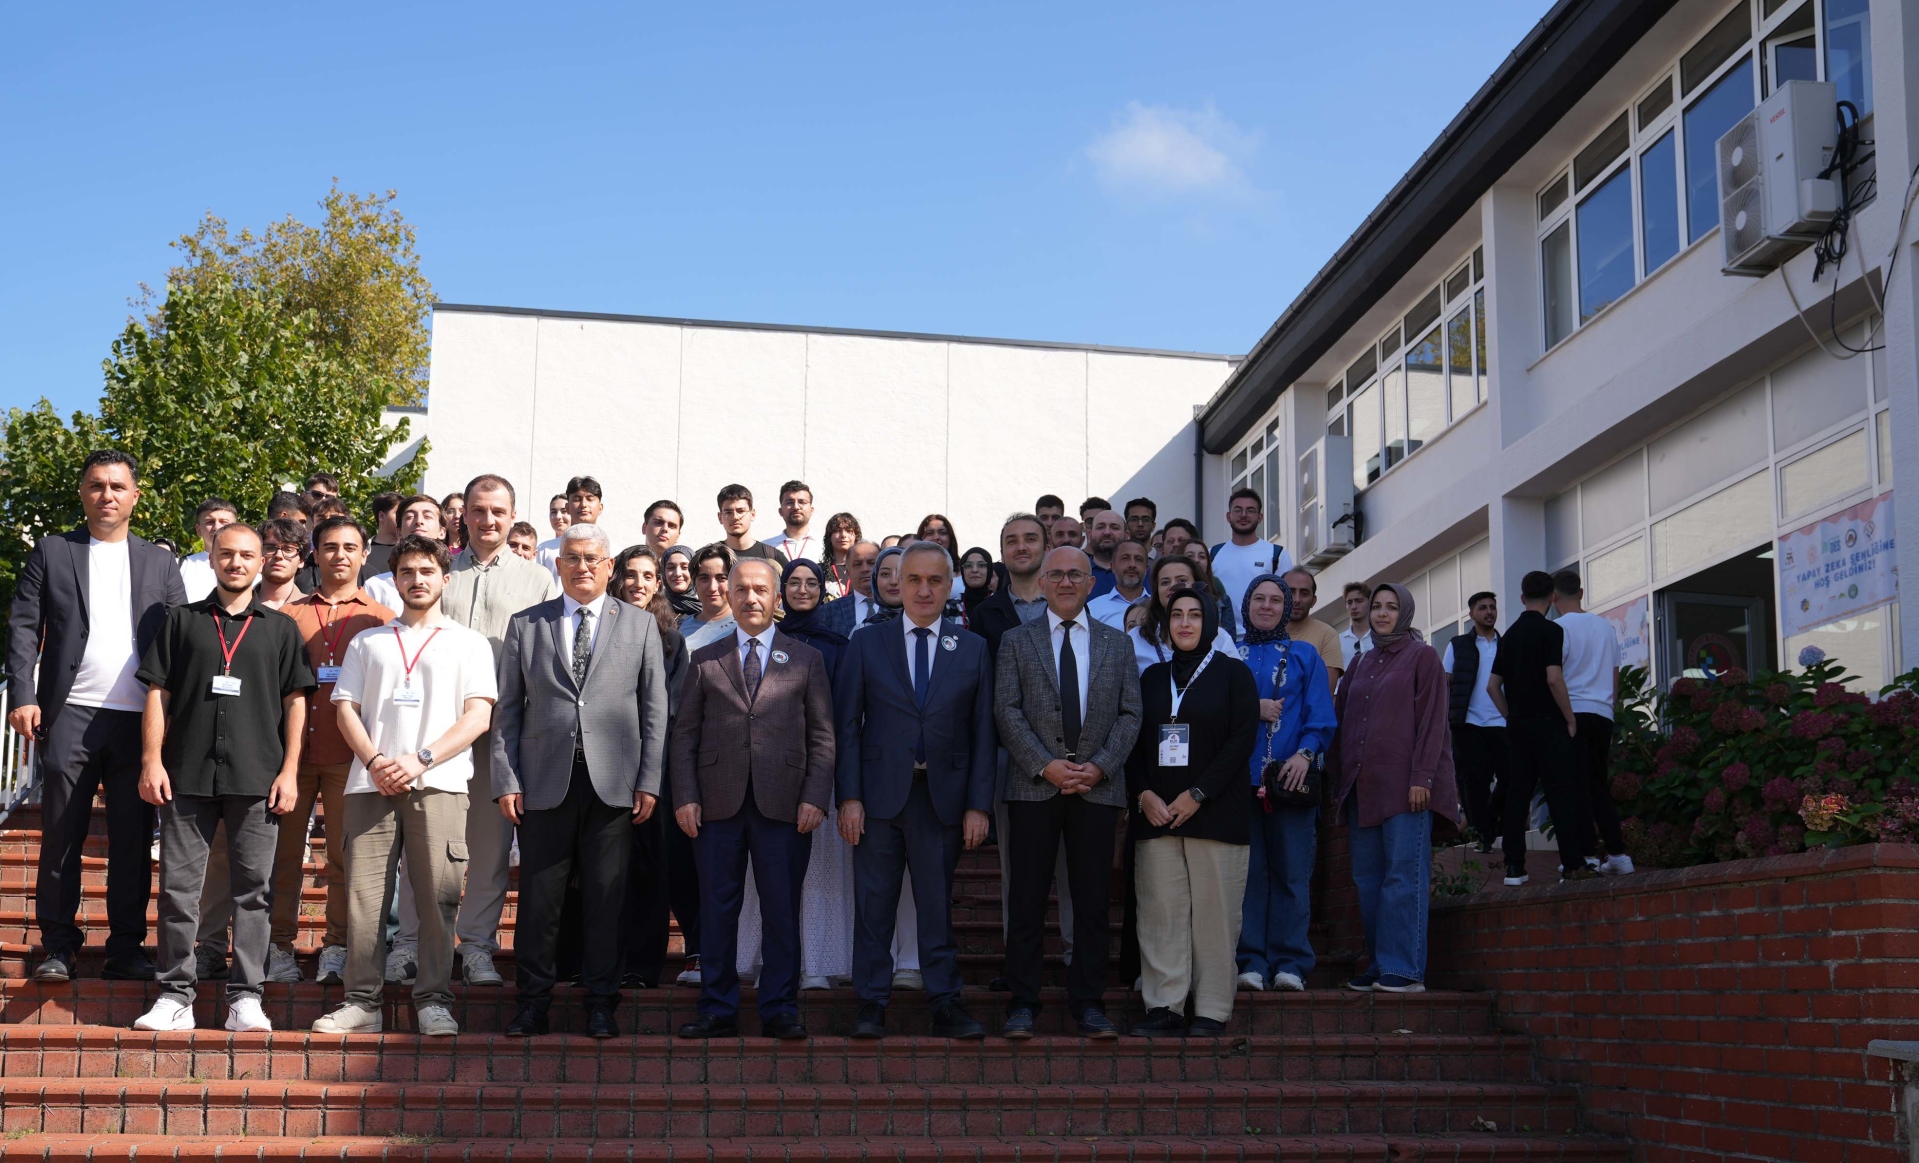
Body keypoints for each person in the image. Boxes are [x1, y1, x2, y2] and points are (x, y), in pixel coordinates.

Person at [6, 449, 186, 983]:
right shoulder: (52, 551)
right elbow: (23, 627)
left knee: (133, 840)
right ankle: (58, 946)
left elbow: (180, 638)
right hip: (70, 714)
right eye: (96, 485)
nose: (107, 495)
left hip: (140, 720)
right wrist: (22, 694)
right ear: (83, 493)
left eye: (117, 486)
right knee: (62, 834)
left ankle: (125, 948)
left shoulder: (160, 562)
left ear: (135, 496)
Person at [309, 534, 498, 1036]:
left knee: (438, 897)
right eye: (407, 572)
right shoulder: (368, 641)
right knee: (365, 899)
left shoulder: (469, 643)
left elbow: (478, 716)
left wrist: (421, 759)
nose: (417, 580)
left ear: (445, 579)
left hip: (440, 783)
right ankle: (362, 1002)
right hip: (369, 784)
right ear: (394, 580)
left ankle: (433, 999)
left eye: (427, 571)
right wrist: (374, 761)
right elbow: (345, 709)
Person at [132, 522, 315, 1032]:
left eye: (247, 555)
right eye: (227, 554)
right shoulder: (181, 621)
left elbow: (296, 703)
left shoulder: (281, 629)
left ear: (262, 563)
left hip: (257, 778)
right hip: (186, 775)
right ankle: (174, 995)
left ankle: (247, 998)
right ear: (211, 558)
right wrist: (151, 760)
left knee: (254, 892)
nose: (236, 563)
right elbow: (157, 694)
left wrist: (290, 771)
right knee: (177, 890)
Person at [492, 521, 670, 1037]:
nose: (583, 566)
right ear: (558, 564)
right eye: (573, 557)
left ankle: (601, 1002)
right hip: (543, 781)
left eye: (593, 558)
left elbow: (654, 709)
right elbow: (508, 710)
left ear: (609, 567)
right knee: (539, 901)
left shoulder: (639, 624)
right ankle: (532, 1002)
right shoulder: (527, 624)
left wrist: (650, 780)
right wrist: (506, 779)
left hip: (615, 783)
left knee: (606, 898)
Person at [833, 544, 993, 1040]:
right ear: (897, 585)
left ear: (950, 586)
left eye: (935, 581)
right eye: (915, 580)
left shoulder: (972, 648)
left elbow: (983, 733)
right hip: (878, 798)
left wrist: (978, 805)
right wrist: (849, 797)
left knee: (936, 907)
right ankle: (871, 1003)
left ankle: (945, 1002)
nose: (925, 590)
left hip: (941, 799)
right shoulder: (867, 642)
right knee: (874, 906)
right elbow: (847, 726)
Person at [671, 558, 835, 1040]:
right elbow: (685, 735)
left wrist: (815, 797)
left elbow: (823, 736)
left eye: (761, 589)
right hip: (716, 804)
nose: (751, 598)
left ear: (777, 597)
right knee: (717, 910)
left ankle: (780, 1008)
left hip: (785, 804)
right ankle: (717, 1009)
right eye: (741, 589)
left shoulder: (806, 659)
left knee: (780, 909)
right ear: (729, 594)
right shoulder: (705, 658)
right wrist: (685, 796)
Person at [993, 546, 1142, 1040]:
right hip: (1034, 787)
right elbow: (1007, 710)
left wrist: (1100, 766)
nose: (1064, 582)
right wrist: (1046, 765)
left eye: (1075, 575)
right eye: (1055, 574)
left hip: (1098, 790)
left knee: (1093, 903)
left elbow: (1131, 714)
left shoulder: (1117, 644)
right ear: (1042, 583)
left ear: (1091, 584)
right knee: (1027, 900)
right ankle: (1022, 1003)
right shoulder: (1016, 641)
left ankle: (1090, 1004)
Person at [430, 473, 560, 988]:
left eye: (498, 511)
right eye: (478, 510)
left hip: (502, 728)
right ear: (462, 514)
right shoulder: (438, 569)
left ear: (513, 516)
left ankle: (477, 947)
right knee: (430, 844)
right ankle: (417, 944)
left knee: (488, 847)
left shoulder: (538, 580)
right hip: (439, 728)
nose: (488, 520)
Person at [260, 516, 394, 987]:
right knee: (282, 858)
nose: (340, 555)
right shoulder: (287, 616)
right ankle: (277, 946)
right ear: (314, 555)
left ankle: (336, 947)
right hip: (291, 758)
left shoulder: (381, 619)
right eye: (330, 546)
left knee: (343, 858)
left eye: (350, 547)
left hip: (350, 758)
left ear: (364, 555)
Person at [1128, 589, 1260, 1036]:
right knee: (1160, 914)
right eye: (1177, 615)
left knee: (1214, 916)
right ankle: (1164, 1007)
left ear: (1211, 623)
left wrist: (1198, 793)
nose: (1185, 623)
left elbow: (1241, 741)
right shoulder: (1151, 679)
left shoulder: (1234, 674)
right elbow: (1132, 742)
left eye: (1195, 615)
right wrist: (1143, 793)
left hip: (1216, 814)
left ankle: (1211, 1008)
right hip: (1157, 816)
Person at [1331, 582, 1460, 994]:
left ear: (1404, 612)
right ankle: (1379, 964)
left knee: (1402, 878)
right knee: (1368, 881)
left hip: (1407, 789)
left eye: (1391, 607)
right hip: (1361, 788)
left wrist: (1423, 776)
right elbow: (1341, 723)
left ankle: (1404, 969)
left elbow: (1434, 722)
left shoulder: (1423, 656)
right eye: (1377, 607)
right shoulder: (1359, 663)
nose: (1383, 613)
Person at [1234, 575, 1336, 995]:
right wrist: (1250, 707)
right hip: (1237, 783)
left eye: (1276, 600)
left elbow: (1322, 714)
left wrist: (1305, 754)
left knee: (1293, 873)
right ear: (1246, 604)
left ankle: (1290, 962)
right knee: (1248, 875)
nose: (1267, 605)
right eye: (1258, 597)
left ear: (1286, 607)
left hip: (1291, 780)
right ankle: (1250, 961)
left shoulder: (1305, 655)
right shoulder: (1229, 654)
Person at [609, 545, 696, 988]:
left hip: (655, 769)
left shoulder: (671, 641)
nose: (638, 583)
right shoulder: (598, 630)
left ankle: (642, 966)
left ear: (658, 584)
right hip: (604, 766)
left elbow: (673, 710)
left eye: (647, 576)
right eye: (631, 574)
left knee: (652, 866)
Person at [1487, 571, 1593, 886]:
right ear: (1552, 598)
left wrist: (1510, 715)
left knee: (1517, 795)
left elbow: (1492, 686)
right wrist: (1570, 718)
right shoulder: (1551, 631)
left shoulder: (1509, 636)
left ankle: (1514, 867)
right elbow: (1553, 678)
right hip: (1549, 724)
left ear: (1522, 598)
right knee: (1560, 792)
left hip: (1518, 726)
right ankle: (1572, 864)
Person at [778, 558, 854, 990]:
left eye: (811, 583)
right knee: (772, 871)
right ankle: (776, 962)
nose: (802, 590)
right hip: (771, 772)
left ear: (823, 591)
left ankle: (818, 964)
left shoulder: (838, 646)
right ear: (782, 589)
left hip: (821, 773)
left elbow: (843, 716)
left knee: (821, 873)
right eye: (794, 582)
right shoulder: (768, 639)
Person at [1551, 569, 1632, 876]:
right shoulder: (1606, 627)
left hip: (1573, 712)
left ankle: (1587, 855)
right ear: (1581, 593)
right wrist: (1610, 710)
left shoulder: (1558, 629)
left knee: (1575, 786)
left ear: (1553, 597)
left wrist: (1565, 717)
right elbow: (1615, 675)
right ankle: (1618, 854)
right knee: (1598, 784)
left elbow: (1555, 677)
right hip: (1603, 712)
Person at [1445, 590, 1505, 854]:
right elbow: (1445, 682)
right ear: (1471, 614)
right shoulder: (1457, 645)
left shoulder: (1506, 644)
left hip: (1502, 723)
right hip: (1468, 723)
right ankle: (1483, 834)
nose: (1489, 612)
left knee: (1510, 777)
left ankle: (1489, 820)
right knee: (1474, 783)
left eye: (1492, 607)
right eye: (1482, 607)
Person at [1131, 555, 1239, 674]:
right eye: (1165, 582)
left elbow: (1237, 679)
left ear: (1197, 586)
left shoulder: (1220, 638)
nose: (1173, 586)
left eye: (1181, 580)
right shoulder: (1136, 638)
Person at [967, 514, 1048, 660]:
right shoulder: (984, 614)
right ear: (1002, 555)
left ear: (1047, 550)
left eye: (1030, 539)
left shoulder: (1065, 607)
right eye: (1012, 542)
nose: (1021, 547)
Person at [1208, 488, 1296, 619]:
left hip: (1263, 630)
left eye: (1250, 510)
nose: (1243, 515)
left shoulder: (1277, 554)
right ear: (1228, 516)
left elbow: (1287, 599)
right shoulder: (1211, 554)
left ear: (1260, 517)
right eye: (1237, 510)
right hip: (1220, 630)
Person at [363, 495, 444, 611]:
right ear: (399, 532)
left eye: (427, 516)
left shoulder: (457, 581)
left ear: (442, 531)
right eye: (410, 516)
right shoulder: (376, 586)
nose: (419, 521)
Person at [1280, 569, 1344, 694]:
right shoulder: (1264, 633)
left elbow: (1324, 693)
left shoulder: (1327, 635)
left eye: (1304, 593)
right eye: (1291, 592)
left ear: (1313, 601)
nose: (1297, 599)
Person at [538, 476, 606, 577]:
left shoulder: (612, 550)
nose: (583, 504)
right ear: (567, 507)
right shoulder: (545, 550)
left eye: (589, 499)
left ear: (600, 508)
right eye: (577, 499)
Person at [681, 542, 740, 652]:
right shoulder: (680, 627)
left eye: (721, 578)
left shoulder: (746, 626)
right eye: (704, 578)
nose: (712, 587)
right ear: (694, 582)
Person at [179, 497, 238, 602]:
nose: (216, 527)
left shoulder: (250, 567)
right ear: (198, 529)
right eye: (210, 522)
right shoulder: (181, 566)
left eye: (224, 522)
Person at [716, 484, 788, 567]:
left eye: (741, 511)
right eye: (728, 512)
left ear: (752, 514)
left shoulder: (774, 557)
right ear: (720, 517)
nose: (735, 517)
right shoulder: (709, 556)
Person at [820, 541, 881, 637]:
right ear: (848, 573)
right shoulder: (829, 611)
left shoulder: (899, 608)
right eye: (858, 564)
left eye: (871, 563)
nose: (865, 569)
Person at [1182, 541, 1240, 641]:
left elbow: (1229, 641)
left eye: (1202, 557)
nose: (1196, 560)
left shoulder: (1223, 601)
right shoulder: (1170, 594)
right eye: (1190, 556)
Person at [1086, 539, 1150, 630]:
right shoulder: (1093, 608)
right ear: (1113, 567)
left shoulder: (1157, 606)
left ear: (1146, 569)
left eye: (1138, 559)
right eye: (1125, 558)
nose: (1132, 565)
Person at [254, 518, 307, 610]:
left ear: (301, 560)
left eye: (288, 550)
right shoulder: (236, 606)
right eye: (270, 548)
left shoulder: (314, 609)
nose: (278, 555)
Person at [773, 481, 819, 564]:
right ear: (780, 511)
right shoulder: (767, 548)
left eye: (802, 502)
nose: (796, 507)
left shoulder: (825, 546)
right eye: (789, 502)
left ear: (811, 510)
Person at [361, 491, 403, 581]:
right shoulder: (362, 551)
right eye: (398, 513)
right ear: (381, 516)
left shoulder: (411, 552)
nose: (403, 518)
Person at [821, 512, 863, 598]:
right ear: (829, 537)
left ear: (856, 536)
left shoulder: (865, 569)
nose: (843, 535)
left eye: (848, 530)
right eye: (837, 530)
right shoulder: (819, 571)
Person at [1084, 510, 1126, 597]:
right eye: (1100, 527)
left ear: (1127, 535)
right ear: (1089, 534)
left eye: (1114, 528)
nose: (1107, 533)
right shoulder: (1078, 572)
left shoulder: (1143, 573)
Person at [661, 544, 702, 621]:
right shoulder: (655, 608)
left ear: (694, 571)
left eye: (685, 567)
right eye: (671, 567)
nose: (678, 573)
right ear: (663, 572)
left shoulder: (706, 610)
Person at [957, 547, 996, 628]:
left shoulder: (1001, 603)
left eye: (981, 565)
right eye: (968, 565)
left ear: (989, 570)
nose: (974, 570)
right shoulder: (950, 606)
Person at [1338, 582, 1374, 669]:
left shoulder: (1381, 637)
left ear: (1370, 602)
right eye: (1349, 602)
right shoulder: (1338, 641)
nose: (1353, 606)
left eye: (1359, 601)